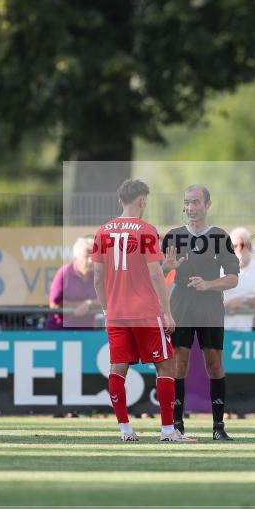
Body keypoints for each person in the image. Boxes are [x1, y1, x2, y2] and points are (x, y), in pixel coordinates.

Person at [92, 179, 194, 443]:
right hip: (146, 312)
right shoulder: (146, 230)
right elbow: (153, 277)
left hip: (116, 313)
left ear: (119, 201)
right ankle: (168, 431)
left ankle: (125, 430)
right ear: (143, 200)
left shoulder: (103, 231)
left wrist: (106, 309)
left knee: (118, 369)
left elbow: (98, 277)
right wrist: (167, 313)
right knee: (165, 365)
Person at [162, 185, 239, 440]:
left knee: (214, 364)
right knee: (179, 364)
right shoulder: (173, 236)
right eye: (187, 203)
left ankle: (218, 427)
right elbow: (157, 275)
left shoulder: (219, 236)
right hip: (181, 304)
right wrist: (166, 268)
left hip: (210, 306)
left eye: (196, 202)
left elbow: (232, 278)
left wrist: (208, 285)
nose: (191, 208)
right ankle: (176, 426)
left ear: (208, 204)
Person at [223, 227, 255, 331]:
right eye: (234, 246)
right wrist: (225, 306)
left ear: (249, 246)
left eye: (241, 245)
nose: (238, 249)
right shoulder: (216, 269)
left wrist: (243, 302)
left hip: (246, 334)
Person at [47, 237, 100, 330]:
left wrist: (89, 304)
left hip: (87, 333)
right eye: (87, 256)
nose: (91, 261)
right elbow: (54, 305)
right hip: (60, 332)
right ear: (76, 257)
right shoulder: (64, 273)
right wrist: (77, 307)